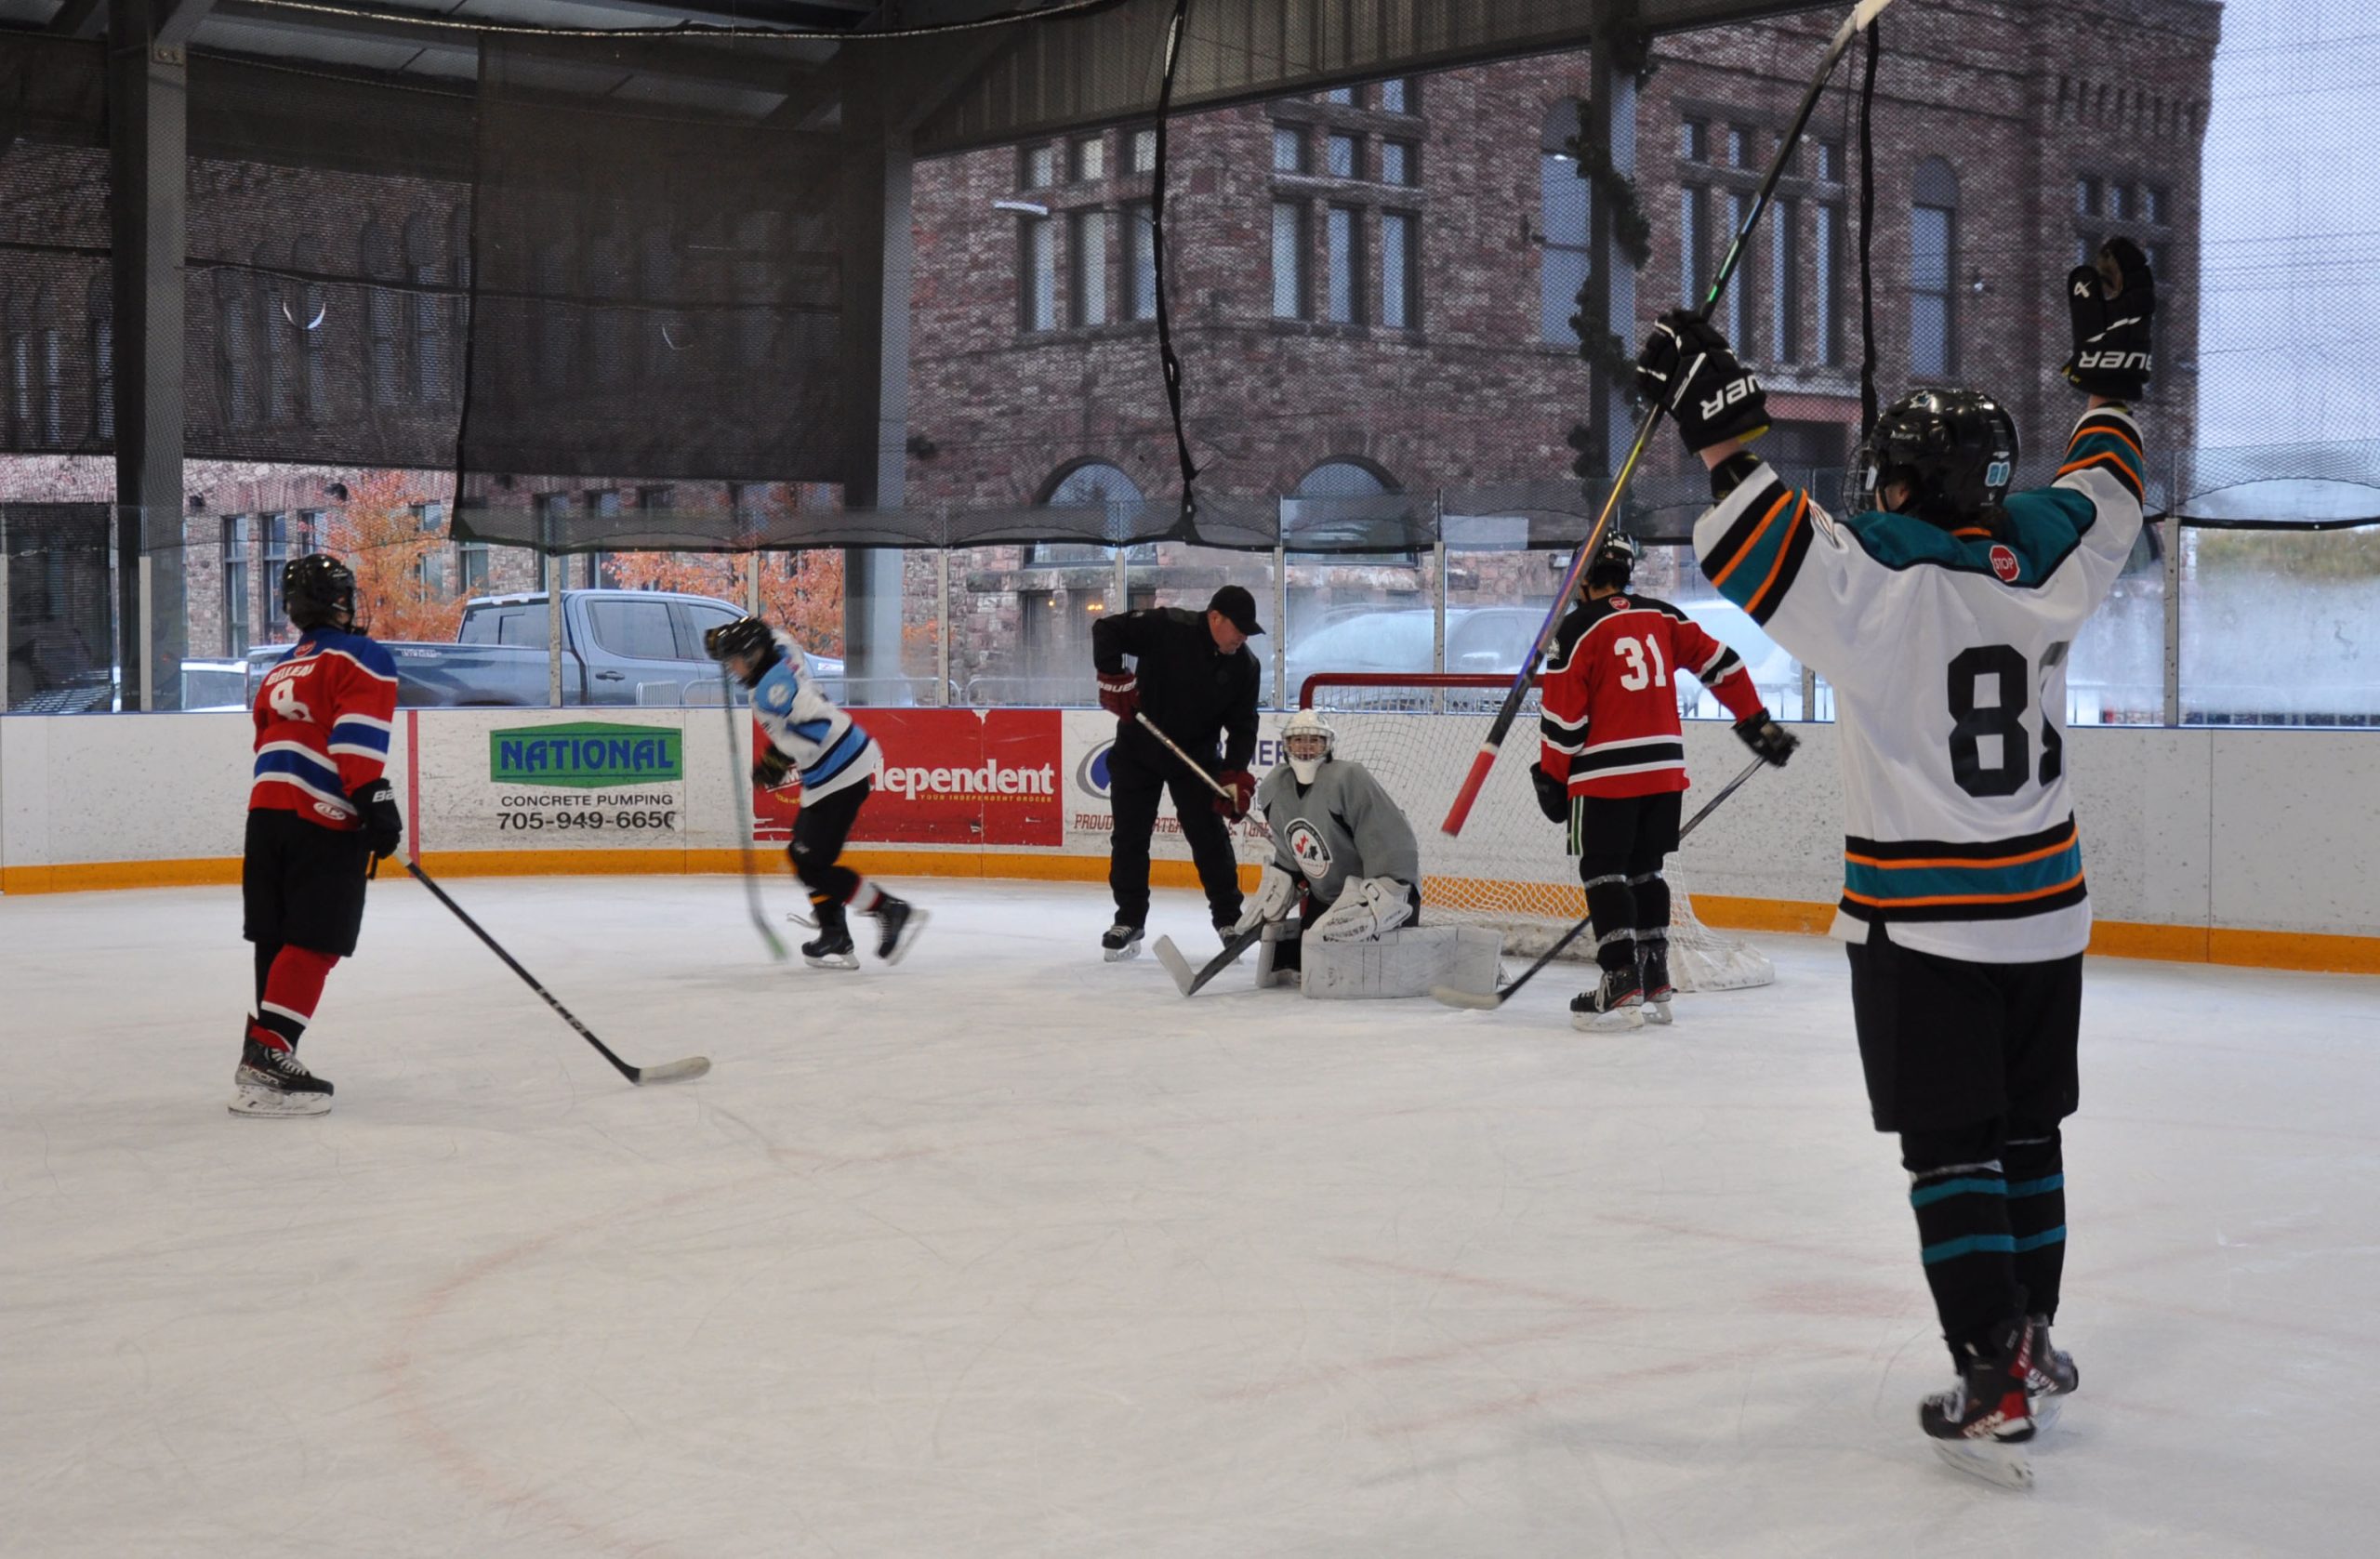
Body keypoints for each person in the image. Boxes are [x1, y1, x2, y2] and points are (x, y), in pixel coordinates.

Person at [1640, 235, 2155, 1480]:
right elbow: (2110, 473)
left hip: (1927, 924)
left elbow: (1758, 538)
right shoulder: (2060, 550)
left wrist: (1716, 421)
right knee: (2031, 1133)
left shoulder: (1876, 579)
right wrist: (2110, 372)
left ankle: (1993, 1366)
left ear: (1901, 480)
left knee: (1951, 1150)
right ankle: (2034, 1329)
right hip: (2049, 914)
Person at [1532, 532, 1796, 1032]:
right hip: (1664, 769)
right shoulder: (1663, 615)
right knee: (1646, 871)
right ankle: (1654, 977)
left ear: (1584, 576)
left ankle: (1619, 980)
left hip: (1605, 772)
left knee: (1604, 870)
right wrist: (1754, 720)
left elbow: (1565, 723)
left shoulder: (1576, 628)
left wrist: (1552, 777)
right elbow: (1724, 664)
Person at [233, 554, 403, 1116]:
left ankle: (264, 1061)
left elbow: (263, 737)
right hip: (319, 814)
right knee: (316, 937)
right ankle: (270, 1058)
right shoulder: (361, 655)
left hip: (265, 814)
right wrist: (373, 801)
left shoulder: (280, 667)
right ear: (339, 601)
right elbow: (355, 738)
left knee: (276, 936)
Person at [707, 615, 923, 971]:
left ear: (753, 654)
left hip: (840, 772)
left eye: (735, 659)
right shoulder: (780, 650)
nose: (731, 667)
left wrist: (777, 759)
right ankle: (834, 933)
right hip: (830, 774)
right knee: (803, 857)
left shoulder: (772, 691)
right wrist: (722, 637)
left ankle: (887, 908)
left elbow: (817, 725)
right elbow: (773, 633)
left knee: (813, 865)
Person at [1091, 585, 1263, 960]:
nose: (1243, 637)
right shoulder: (1168, 626)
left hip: (1196, 758)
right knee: (1130, 837)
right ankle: (1130, 918)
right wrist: (1111, 674)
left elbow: (1244, 725)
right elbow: (1106, 629)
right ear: (1215, 617)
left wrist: (1234, 773)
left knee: (1209, 838)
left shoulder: (1245, 666)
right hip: (1139, 745)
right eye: (1239, 628)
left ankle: (1228, 919)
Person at [1237, 707, 1422, 981]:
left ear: (1328, 744)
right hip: (1327, 900)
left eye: (1314, 740)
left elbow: (1393, 840)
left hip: (1376, 899)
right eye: (1298, 740)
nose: (1305, 747)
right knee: (1311, 960)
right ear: (1286, 745)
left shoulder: (1348, 778)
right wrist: (1283, 878)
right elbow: (1291, 847)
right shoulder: (1275, 787)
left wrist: (1387, 892)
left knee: (1355, 967)